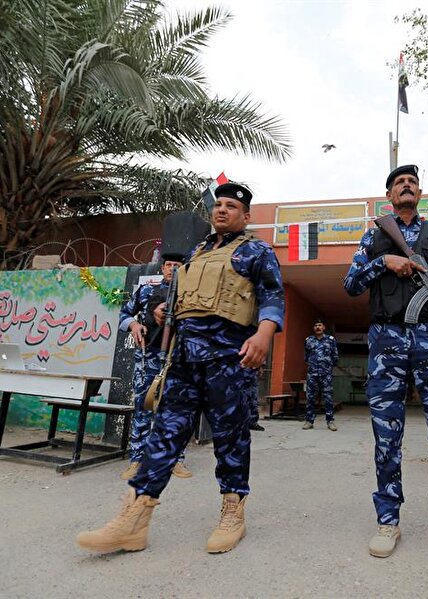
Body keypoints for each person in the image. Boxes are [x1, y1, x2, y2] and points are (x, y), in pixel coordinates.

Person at [77, 181, 285, 555]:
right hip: (183, 360)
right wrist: (162, 310)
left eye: (231, 207)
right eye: (218, 205)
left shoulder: (256, 252)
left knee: (231, 438)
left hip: (229, 360)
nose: (222, 210)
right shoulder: (196, 252)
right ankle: (134, 518)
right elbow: (182, 299)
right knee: (165, 435)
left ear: (246, 216)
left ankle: (233, 511)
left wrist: (264, 335)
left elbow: (272, 296)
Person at [344, 164, 428, 564]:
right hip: (387, 340)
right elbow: (350, 285)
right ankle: (388, 519)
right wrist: (382, 263)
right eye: (399, 183)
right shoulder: (373, 236)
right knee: (387, 437)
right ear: (389, 196)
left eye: (412, 182)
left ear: (420, 193)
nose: (406, 186)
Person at [117, 257, 192, 481]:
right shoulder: (146, 291)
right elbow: (124, 314)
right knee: (142, 407)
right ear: (162, 268)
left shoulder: (189, 294)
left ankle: (176, 460)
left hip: (177, 360)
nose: (172, 269)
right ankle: (137, 460)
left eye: (177, 266)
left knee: (176, 411)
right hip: (146, 360)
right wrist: (134, 324)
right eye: (169, 265)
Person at [302, 318, 339, 431]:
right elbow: (306, 357)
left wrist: (327, 366)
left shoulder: (330, 340)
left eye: (320, 325)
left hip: (326, 374)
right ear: (314, 328)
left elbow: (335, 356)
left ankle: (330, 421)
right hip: (312, 373)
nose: (318, 327)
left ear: (324, 327)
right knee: (310, 398)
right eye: (316, 325)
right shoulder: (308, 340)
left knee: (328, 397)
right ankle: (309, 421)